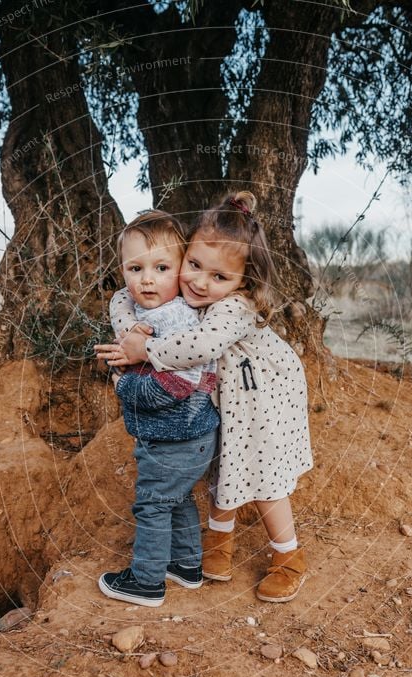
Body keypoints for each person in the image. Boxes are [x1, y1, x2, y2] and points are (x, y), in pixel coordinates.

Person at [105, 191, 313, 603]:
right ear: (184, 256)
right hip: (227, 398)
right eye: (194, 265)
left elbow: (199, 347)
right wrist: (130, 327)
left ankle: (289, 557)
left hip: (264, 396)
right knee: (223, 463)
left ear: (244, 283)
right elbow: (120, 298)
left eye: (219, 277)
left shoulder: (234, 308)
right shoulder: (183, 293)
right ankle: (218, 544)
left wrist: (141, 350)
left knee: (265, 475)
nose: (200, 281)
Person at [94, 210, 219, 607]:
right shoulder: (150, 314)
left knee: (152, 503)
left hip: (175, 438)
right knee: (176, 498)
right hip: (190, 435)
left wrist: (124, 383)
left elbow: (178, 385)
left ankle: (146, 581)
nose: (147, 279)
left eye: (161, 267)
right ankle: (186, 565)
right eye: (136, 268)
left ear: (181, 269)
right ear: (123, 270)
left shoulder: (176, 319)